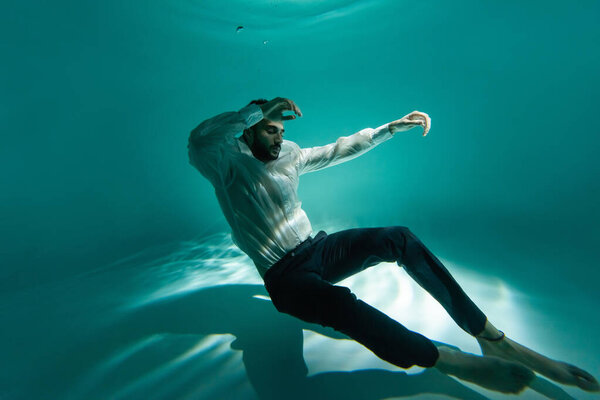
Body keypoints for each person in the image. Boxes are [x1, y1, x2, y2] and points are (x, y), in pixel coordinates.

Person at [187, 97, 599, 395]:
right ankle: (444, 359)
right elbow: (199, 139)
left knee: (397, 236)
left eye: (280, 130)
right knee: (340, 306)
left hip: (318, 250)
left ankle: (491, 337)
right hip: (284, 277)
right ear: (250, 130)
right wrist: (258, 109)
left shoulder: (289, 155)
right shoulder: (224, 163)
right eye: (269, 130)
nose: (277, 139)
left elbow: (334, 150)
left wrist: (388, 129)